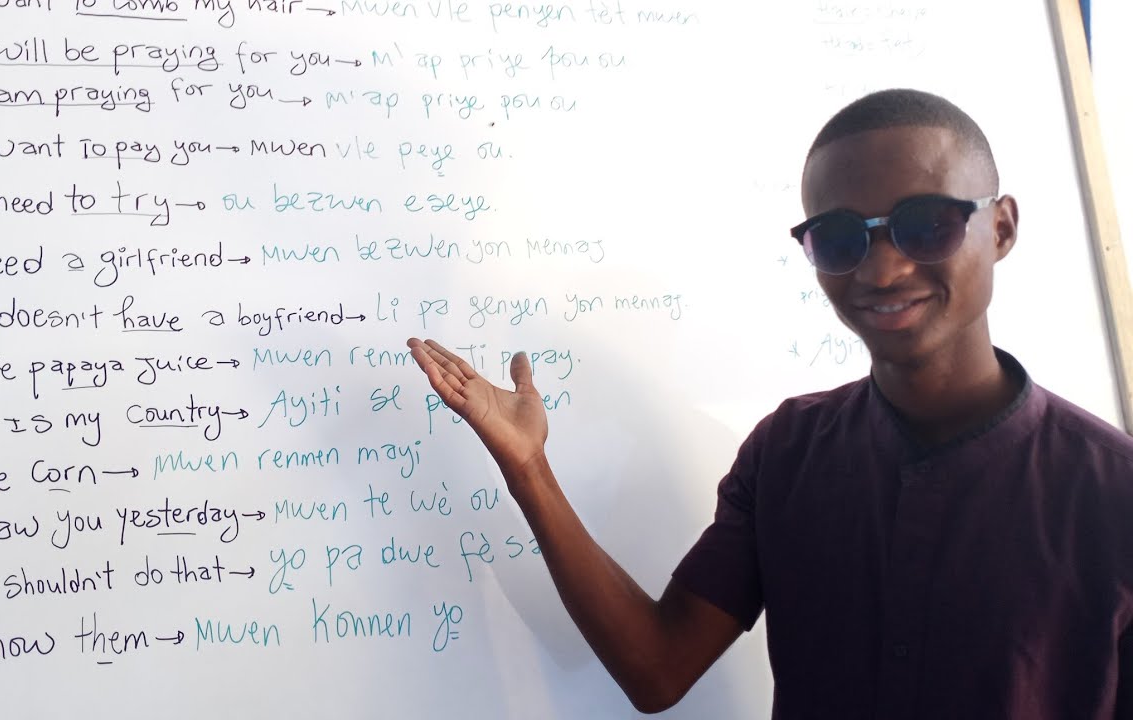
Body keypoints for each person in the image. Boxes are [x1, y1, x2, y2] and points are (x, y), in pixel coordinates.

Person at [406, 88, 1133, 719]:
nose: (884, 269)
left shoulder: (1112, 492)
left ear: (1001, 227)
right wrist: (530, 468)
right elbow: (657, 669)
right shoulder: (788, 452)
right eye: (841, 238)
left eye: (926, 224)